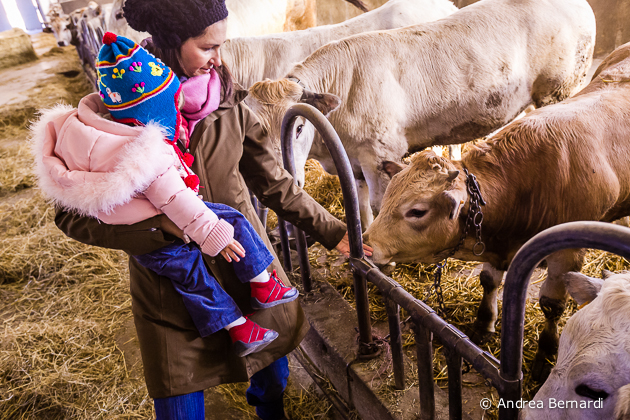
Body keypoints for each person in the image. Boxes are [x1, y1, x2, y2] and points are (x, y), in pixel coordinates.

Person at [53, 0, 372, 419]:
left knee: (273, 383)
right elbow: (68, 211)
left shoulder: (229, 105)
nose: (218, 59)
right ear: (171, 42)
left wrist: (334, 231)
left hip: (247, 269)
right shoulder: (118, 110)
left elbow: (272, 181)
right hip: (173, 287)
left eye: (221, 45)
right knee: (180, 404)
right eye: (207, 47)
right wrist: (159, 231)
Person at [33, 32, 302, 358]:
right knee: (231, 220)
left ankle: (237, 328)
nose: (177, 110)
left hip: (143, 237)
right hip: (166, 221)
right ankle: (262, 283)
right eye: (171, 106)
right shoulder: (146, 153)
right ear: (154, 115)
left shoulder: (85, 134)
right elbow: (177, 200)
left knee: (193, 279)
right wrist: (212, 234)